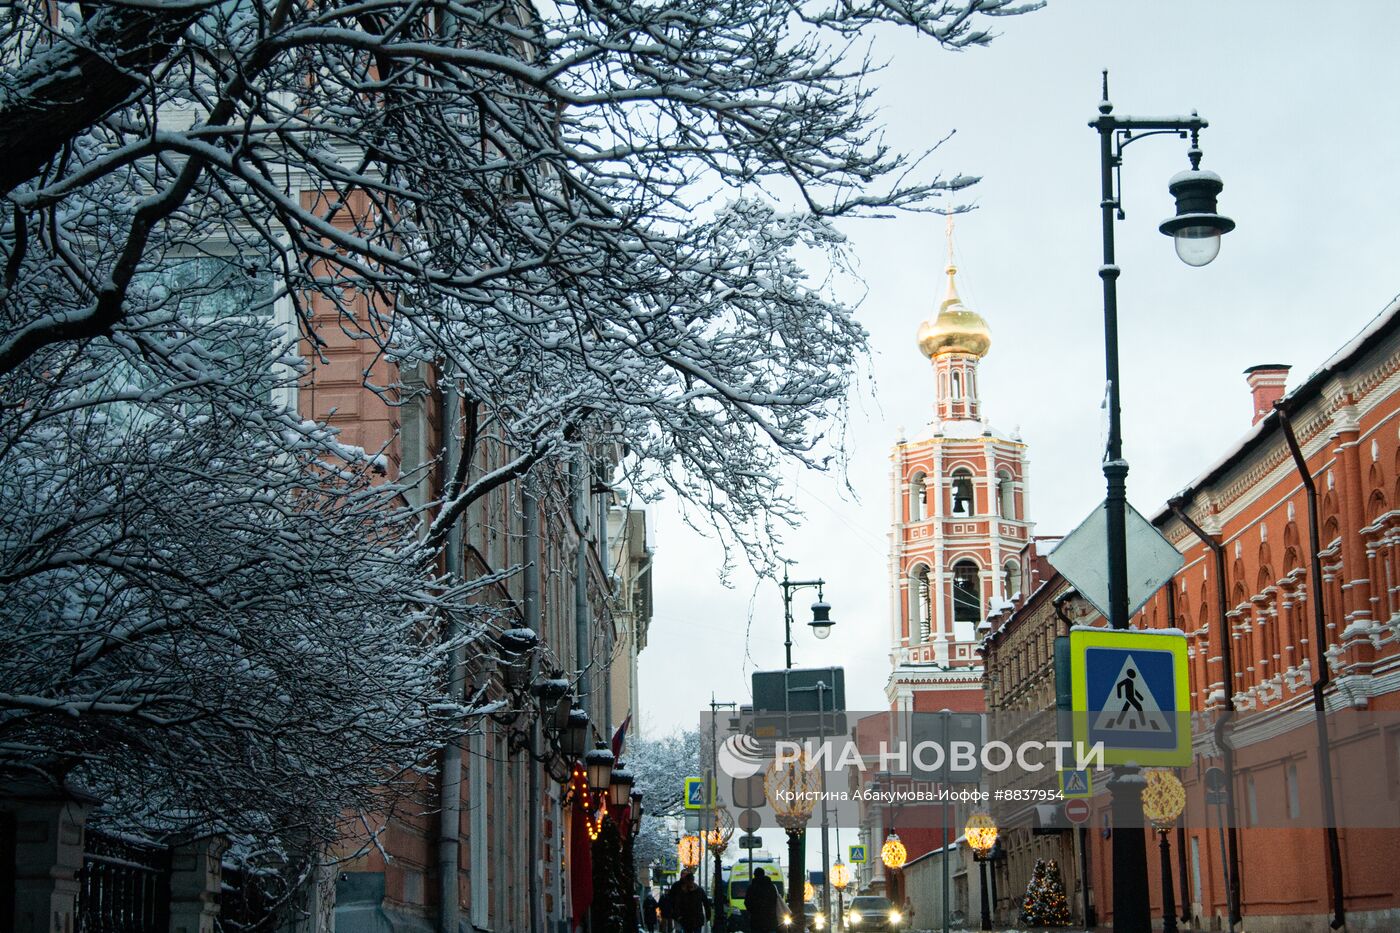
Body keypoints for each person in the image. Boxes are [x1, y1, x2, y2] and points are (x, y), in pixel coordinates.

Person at [667, 868, 710, 933]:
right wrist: (677, 915)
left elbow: (706, 903)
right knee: (679, 930)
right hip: (685, 919)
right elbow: (675, 903)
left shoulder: (698, 890)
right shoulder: (679, 888)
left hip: (694, 919)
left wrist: (708, 915)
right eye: (684, 874)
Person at [743, 868, 780, 933]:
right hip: (770, 920)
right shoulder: (771, 887)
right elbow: (775, 900)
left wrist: (753, 911)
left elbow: (747, 902)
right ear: (763, 874)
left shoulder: (751, 888)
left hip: (756, 920)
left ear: (755, 875)